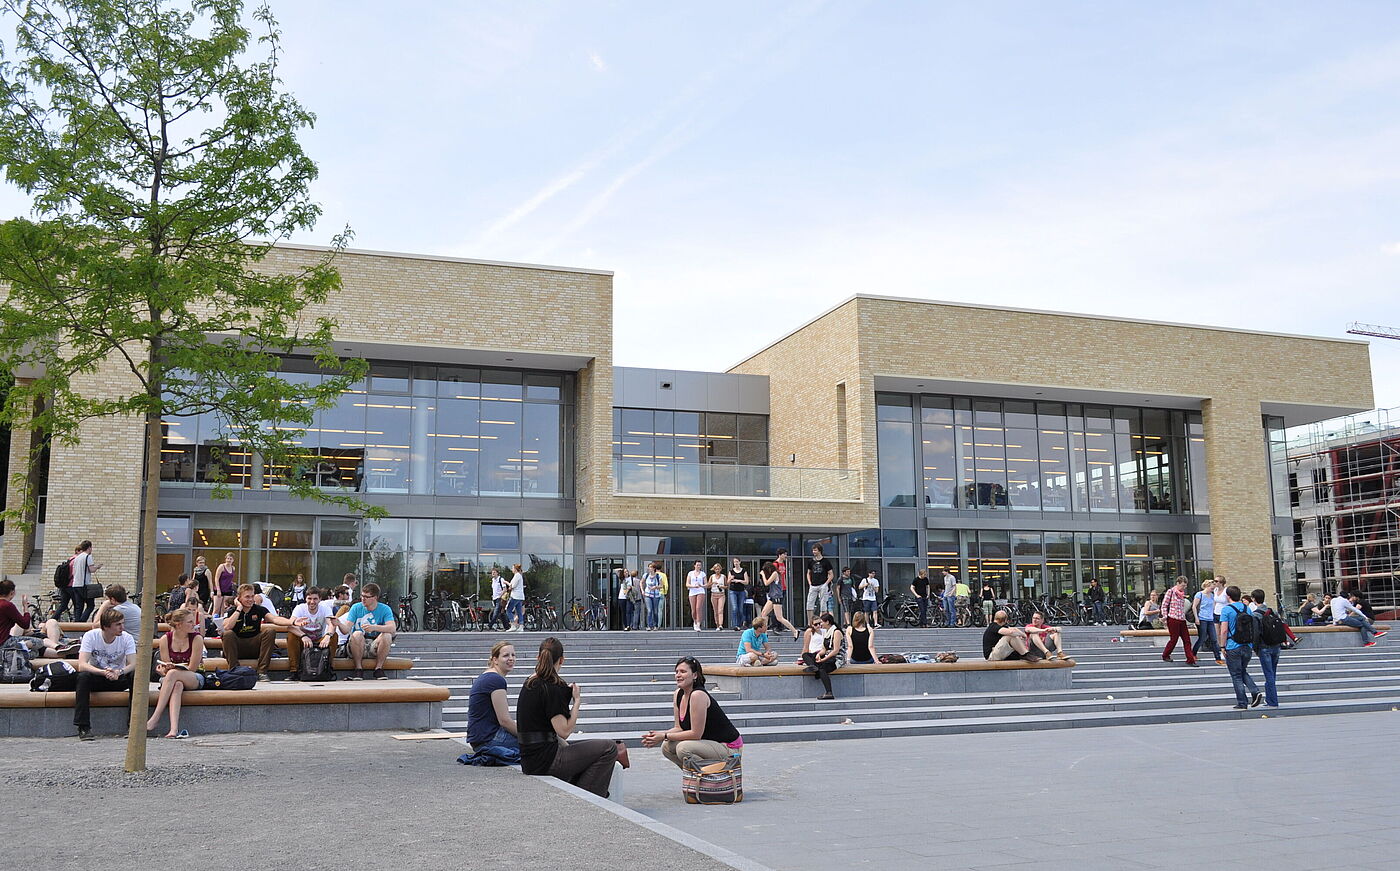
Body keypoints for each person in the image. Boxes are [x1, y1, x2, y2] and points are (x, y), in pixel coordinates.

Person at [516, 637, 618, 798]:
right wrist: (576, 701)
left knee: (588, 750)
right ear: (562, 660)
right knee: (609, 747)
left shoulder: (529, 683)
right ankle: (588, 797)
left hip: (530, 759)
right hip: (547, 760)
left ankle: (583, 790)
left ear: (538, 657)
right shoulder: (552, 687)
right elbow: (564, 731)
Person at [642, 657, 743, 770]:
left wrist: (664, 735)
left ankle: (711, 775)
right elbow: (679, 728)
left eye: (683, 671)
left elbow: (696, 734)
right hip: (708, 743)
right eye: (676, 672)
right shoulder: (678, 694)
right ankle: (695, 776)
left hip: (728, 747)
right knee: (667, 746)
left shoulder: (698, 695)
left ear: (695, 675)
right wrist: (658, 735)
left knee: (683, 748)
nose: (678, 675)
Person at [73, 607, 136, 740]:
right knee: (83, 676)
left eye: (123, 623)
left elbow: (133, 664)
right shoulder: (91, 636)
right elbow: (82, 664)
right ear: (106, 627)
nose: (122, 627)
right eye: (118, 624)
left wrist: (119, 672)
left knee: (135, 675)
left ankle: (133, 725)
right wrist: (102, 672)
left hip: (118, 677)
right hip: (98, 677)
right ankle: (83, 727)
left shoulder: (127, 638)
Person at [146, 608, 205, 739]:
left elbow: (192, 668)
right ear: (179, 625)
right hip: (172, 679)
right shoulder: (165, 639)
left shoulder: (197, 639)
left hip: (194, 677)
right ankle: (173, 729)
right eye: (190, 622)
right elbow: (166, 666)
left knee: (173, 674)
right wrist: (164, 670)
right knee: (177, 685)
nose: (194, 624)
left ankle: (155, 717)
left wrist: (171, 671)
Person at [221, 583, 292, 681]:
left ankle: (262, 672)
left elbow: (275, 619)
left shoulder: (259, 609)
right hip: (238, 648)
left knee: (270, 631)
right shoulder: (232, 611)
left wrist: (292, 622)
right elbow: (227, 626)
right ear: (239, 598)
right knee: (228, 634)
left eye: (252, 596)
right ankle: (234, 670)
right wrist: (239, 609)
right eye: (247, 597)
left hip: (254, 646)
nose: (250, 599)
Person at [465, 640, 520, 756]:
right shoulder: (495, 680)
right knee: (539, 744)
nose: (511, 658)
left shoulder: (488, 676)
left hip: (479, 738)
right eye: (506, 655)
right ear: (495, 660)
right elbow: (504, 721)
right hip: (489, 739)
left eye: (513, 655)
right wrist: (527, 736)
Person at [1218, 585, 1263, 709]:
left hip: (1233, 646)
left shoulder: (1226, 610)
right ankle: (1255, 691)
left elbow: (1223, 630)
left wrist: (1222, 646)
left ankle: (1242, 702)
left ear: (1228, 596)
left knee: (1236, 675)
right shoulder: (1246, 608)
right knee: (1242, 671)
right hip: (1247, 645)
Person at [340, 583, 397, 679]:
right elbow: (346, 630)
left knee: (387, 635)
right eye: (362, 596)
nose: (363, 599)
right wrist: (338, 624)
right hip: (357, 644)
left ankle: (378, 669)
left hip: (374, 644)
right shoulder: (356, 607)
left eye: (367, 597)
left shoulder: (385, 609)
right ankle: (358, 669)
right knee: (357, 634)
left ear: (375, 598)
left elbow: (392, 628)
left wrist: (374, 627)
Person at [286, 586, 338, 680]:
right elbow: (290, 625)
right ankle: (294, 671)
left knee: (334, 636)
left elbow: (331, 624)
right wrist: (303, 635)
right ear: (305, 599)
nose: (312, 602)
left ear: (320, 599)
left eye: (315, 599)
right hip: (304, 641)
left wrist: (328, 635)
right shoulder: (300, 608)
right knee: (291, 635)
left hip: (319, 641)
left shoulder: (325, 608)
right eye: (309, 598)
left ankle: (328, 668)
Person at [1250, 589, 1283, 708]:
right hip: (1276, 646)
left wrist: (1255, 648)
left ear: (1253, 599)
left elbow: (1255, 634)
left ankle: (1272, 701)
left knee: (1268, 674)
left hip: (1264, 647)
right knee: (1272, 673)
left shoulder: (1255, 615)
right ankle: (1270, 699)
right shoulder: (1272, 611)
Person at [800, 613, 844, 700]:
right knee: (805, 655)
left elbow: (835, 651)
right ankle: (814, 667)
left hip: (836, 658)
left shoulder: (836, 632)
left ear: (827, 622)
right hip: (827, 655)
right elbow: (824, 649)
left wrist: (824, 659)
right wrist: (818, 655)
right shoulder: (827, 632)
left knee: (822, 668)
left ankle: (829, 692)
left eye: (821, 622)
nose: (820, 624)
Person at [1161, 576, 1198, 666]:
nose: (1184, 587)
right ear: (1177, 583)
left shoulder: (1182, 594)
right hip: (1173, 618)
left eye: (1185, 586)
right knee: (1174, 639)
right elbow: (1164, 605)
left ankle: (1190, 660)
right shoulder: (1171, 592)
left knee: (1187, 640)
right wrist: (1165, 617)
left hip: (1181, 619)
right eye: (1182, 585)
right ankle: (1165, 655)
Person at [759, 560, 798, 639]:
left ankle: (794, 631)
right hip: (772, 596)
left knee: (779, 617)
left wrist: (763, 575)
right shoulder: (774, 574)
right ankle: (765, 633)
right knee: (764, 613)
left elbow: (766, 583)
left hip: (777, 597)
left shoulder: (775, 573)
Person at [67, 540, 102, 622]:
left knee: (79, 606)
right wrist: (97, 567)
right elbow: (91, 569)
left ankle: (77, 623)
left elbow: (74, 572)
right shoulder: (88, 556)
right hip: (84, 585)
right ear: (89, 547)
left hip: (75, 584)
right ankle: (82, 622)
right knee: (90, 605)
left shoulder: (77, 557)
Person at [1192, 579, 1224, 665]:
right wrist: (1196, 618)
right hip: (1202, 618)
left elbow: (1213, 606)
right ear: (1207, 586)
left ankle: (1218, 658)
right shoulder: (1199, 594)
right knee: (1202, 638)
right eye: (1211, 588)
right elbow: (1194, 606)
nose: (1212, 589)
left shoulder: (1212, 595)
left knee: (1214, 639)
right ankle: (1193, 653)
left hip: (1210, 619)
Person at [806, 544, 834, 625]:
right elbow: (808, 573)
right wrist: (810, 583)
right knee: (809, 604)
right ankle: (810, 624)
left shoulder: (826, 562)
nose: (813, 552)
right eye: (813, 550)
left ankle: (822, 623)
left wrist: (826, 583)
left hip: (822, 585)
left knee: (823, 605)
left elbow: (831, 574)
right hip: (813, 585)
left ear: (819, 551)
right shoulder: (811, 561)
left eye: (815, 550)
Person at [726, 558, 748, 632]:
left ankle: (741, 624)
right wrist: (730, 579)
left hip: (741, 591)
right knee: (735, 608)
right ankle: (735, 625)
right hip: (733, 591)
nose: (735, 563)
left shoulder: (743, 571)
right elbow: (727, 582)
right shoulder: (731, 571)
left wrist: (739, 581)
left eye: (737, 562)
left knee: (740, 609)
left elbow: (746, 582)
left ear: (740, 562)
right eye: (734, 562)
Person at [686, 560, 708, 631]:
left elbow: (706, 584)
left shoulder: (703, 574)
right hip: (692, 592)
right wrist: (693, 586)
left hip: (700, 591)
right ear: (694, 565)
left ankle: (698, 624)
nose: (698, 566)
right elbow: (687, 584)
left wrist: (701, 585)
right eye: (697, 565)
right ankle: (695, 621)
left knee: (698, 608)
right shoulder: (690, 573)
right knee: (693, 610)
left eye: (700, 565)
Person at [214, 552, 238, 616]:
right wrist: (218, 589)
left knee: (224, 609)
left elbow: (229, 578)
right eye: (228, 558)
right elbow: (216, 578)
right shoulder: (221, 566)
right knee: (216, 609)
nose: (229, 560)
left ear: (233, 560)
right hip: (220, 588)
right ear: (225, 559)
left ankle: (222, 620)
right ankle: (213, 620)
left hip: (228, 589)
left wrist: (232, 583)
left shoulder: (233, 568)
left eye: (230, 559)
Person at [643, 562, 665, 631]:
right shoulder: (646, 575)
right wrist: (642, 590)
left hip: (656, 595)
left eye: (651, 567)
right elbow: (641, 582)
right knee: (649, 610)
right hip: (647, 595)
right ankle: (649, 626)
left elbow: (661, 585)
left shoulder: (658, 576)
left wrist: (655, 587)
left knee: (655, 611)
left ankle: (656, 625)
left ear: (654, 568)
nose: (649, 568)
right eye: (649, 567)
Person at [506, 563, 526, 633]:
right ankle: (521, 626)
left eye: (512, 568)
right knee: (519, 611)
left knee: (508, 610)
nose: (512, 569)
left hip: (515, 596)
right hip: (520, 596)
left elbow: (512, 586)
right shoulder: (520, 576)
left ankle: (513, 625)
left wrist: (506, 583)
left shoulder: (516, 576)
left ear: (515, 569)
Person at [708, 563, 727, 631]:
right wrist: (712, 583)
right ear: (714, 569)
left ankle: (721, 625)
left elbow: (727, 586)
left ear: (720, 569)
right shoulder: (712, 576)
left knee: (720, 610)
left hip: (721, 594)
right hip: (714, 594)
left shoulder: (723, 576)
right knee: (715, 611)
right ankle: (717, 625)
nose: (717, 570)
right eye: (716, 569)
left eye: (718, 569)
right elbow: (708, 586)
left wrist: (722, 586)